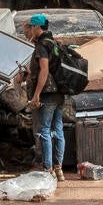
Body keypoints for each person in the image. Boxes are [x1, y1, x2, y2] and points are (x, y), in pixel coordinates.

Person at [25, 13, 68, 178]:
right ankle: (59, 169)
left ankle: (48, 169)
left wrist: (36, 95)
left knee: (44, 130)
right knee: (58, 130)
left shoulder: (42, 45)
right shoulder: (55, 42)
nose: (29, 31)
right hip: (60, 93)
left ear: (36, 27)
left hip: (48, 94)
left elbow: (44, 70)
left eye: (30, 28)